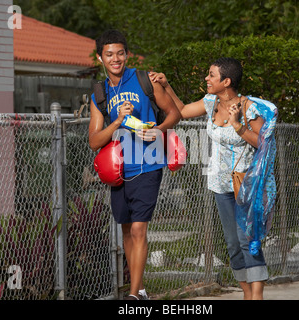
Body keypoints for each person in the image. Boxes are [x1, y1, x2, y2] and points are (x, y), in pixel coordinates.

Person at [149, 57, 277, 300]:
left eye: (211, 75)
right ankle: (247, 295)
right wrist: (166, 86)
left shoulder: (249, 108)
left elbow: (263, 143)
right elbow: (183, 111)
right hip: (220, 185)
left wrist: (237, 125)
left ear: (226, 81)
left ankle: (257, 297)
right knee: (232, 244)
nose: (206, 79)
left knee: (248, 240)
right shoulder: (211, 102)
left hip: (246, 185)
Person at [88, 30, 181, 300]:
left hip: (148, 163)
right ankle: (139, 288)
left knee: (139, 228)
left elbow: (174, 112)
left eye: (120, 53)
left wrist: (159, 131)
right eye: (109, 54)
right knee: (127, 230)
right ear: (100, 58)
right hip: (118, 170)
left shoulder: (144, 79)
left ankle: (132, 297)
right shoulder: (99, 93)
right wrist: (116, 121)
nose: (115, 59)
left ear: (126, 54)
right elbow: (94, 141)